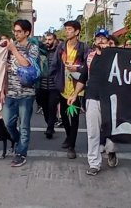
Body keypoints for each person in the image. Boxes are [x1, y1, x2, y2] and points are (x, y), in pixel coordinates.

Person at [68, 28, 119, 175]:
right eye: (98, 38)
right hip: (93, 97)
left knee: (112, 132)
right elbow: (83, 78)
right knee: (93, 132)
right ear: (95, 40)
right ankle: (94, 163)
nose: (101, 41)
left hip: (112, 100)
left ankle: (111, 151)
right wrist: (75, 94)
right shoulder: (90, 57)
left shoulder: (116, 56)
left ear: (108, 40)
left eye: (104, 38)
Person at [1, 19, 39, 167]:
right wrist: (2, 89)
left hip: (26, 93)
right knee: (8, 123)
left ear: (27, 33)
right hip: (10, 91)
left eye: (19, 31)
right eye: (14, 31)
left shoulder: (32, 47)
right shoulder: (10, 47)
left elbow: (26, 64)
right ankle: (18, 142)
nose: (16, 34)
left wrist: (14, 50)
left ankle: (21, 153)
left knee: (24, 126)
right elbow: (4, 69)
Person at [50, 20, 90, 159]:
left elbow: (88, 65)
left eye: (70, 29)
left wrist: (77, 68)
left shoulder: (84, 48)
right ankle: (68, 137)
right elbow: (54, 65)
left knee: (74, 117)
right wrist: (55, 79)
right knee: (64, 116)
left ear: (77, 32)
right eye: (66, 29)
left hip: (77, 89)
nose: (67, 32)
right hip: (63, 87)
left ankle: (72, 146)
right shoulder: (61, 47)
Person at [36, 32, 59, 139]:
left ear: (55, 40)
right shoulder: (42, 52)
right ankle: (50, 122)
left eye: (50, 39)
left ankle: (50, 128)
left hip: (54, 86)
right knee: (44, 107)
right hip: (42, 85)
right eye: (46, 39)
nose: (48, 42)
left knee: (52, 106)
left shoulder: (59, 52)